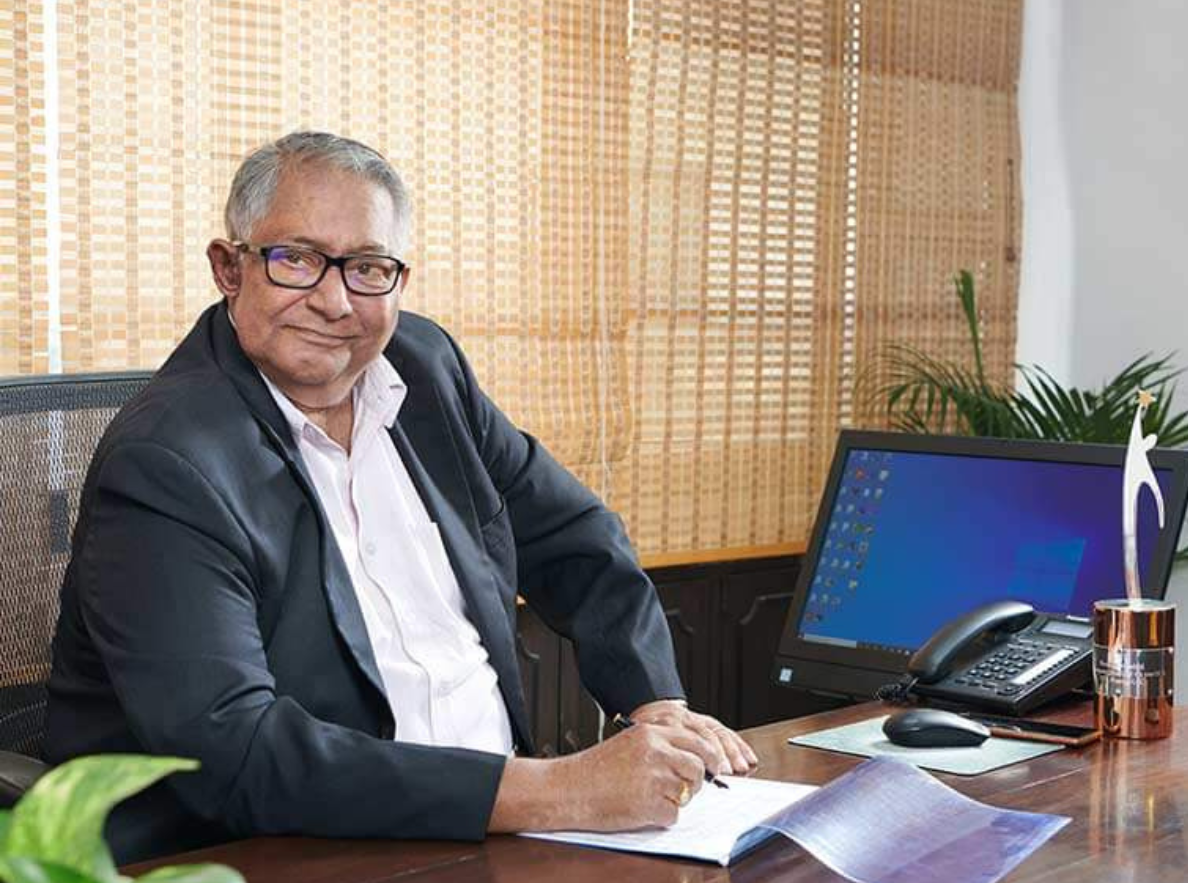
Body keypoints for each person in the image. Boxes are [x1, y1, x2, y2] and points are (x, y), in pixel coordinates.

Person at [45, 131, 757, 862]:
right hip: (278, 854)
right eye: (296, 260)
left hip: (501, 838)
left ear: (399, 280)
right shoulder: (165, 463)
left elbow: (575, 535)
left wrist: (655, 705)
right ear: (231, 268)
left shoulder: (425, 367)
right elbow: (238, 753)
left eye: (367, 268)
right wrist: (563, 789)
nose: (334, 301)